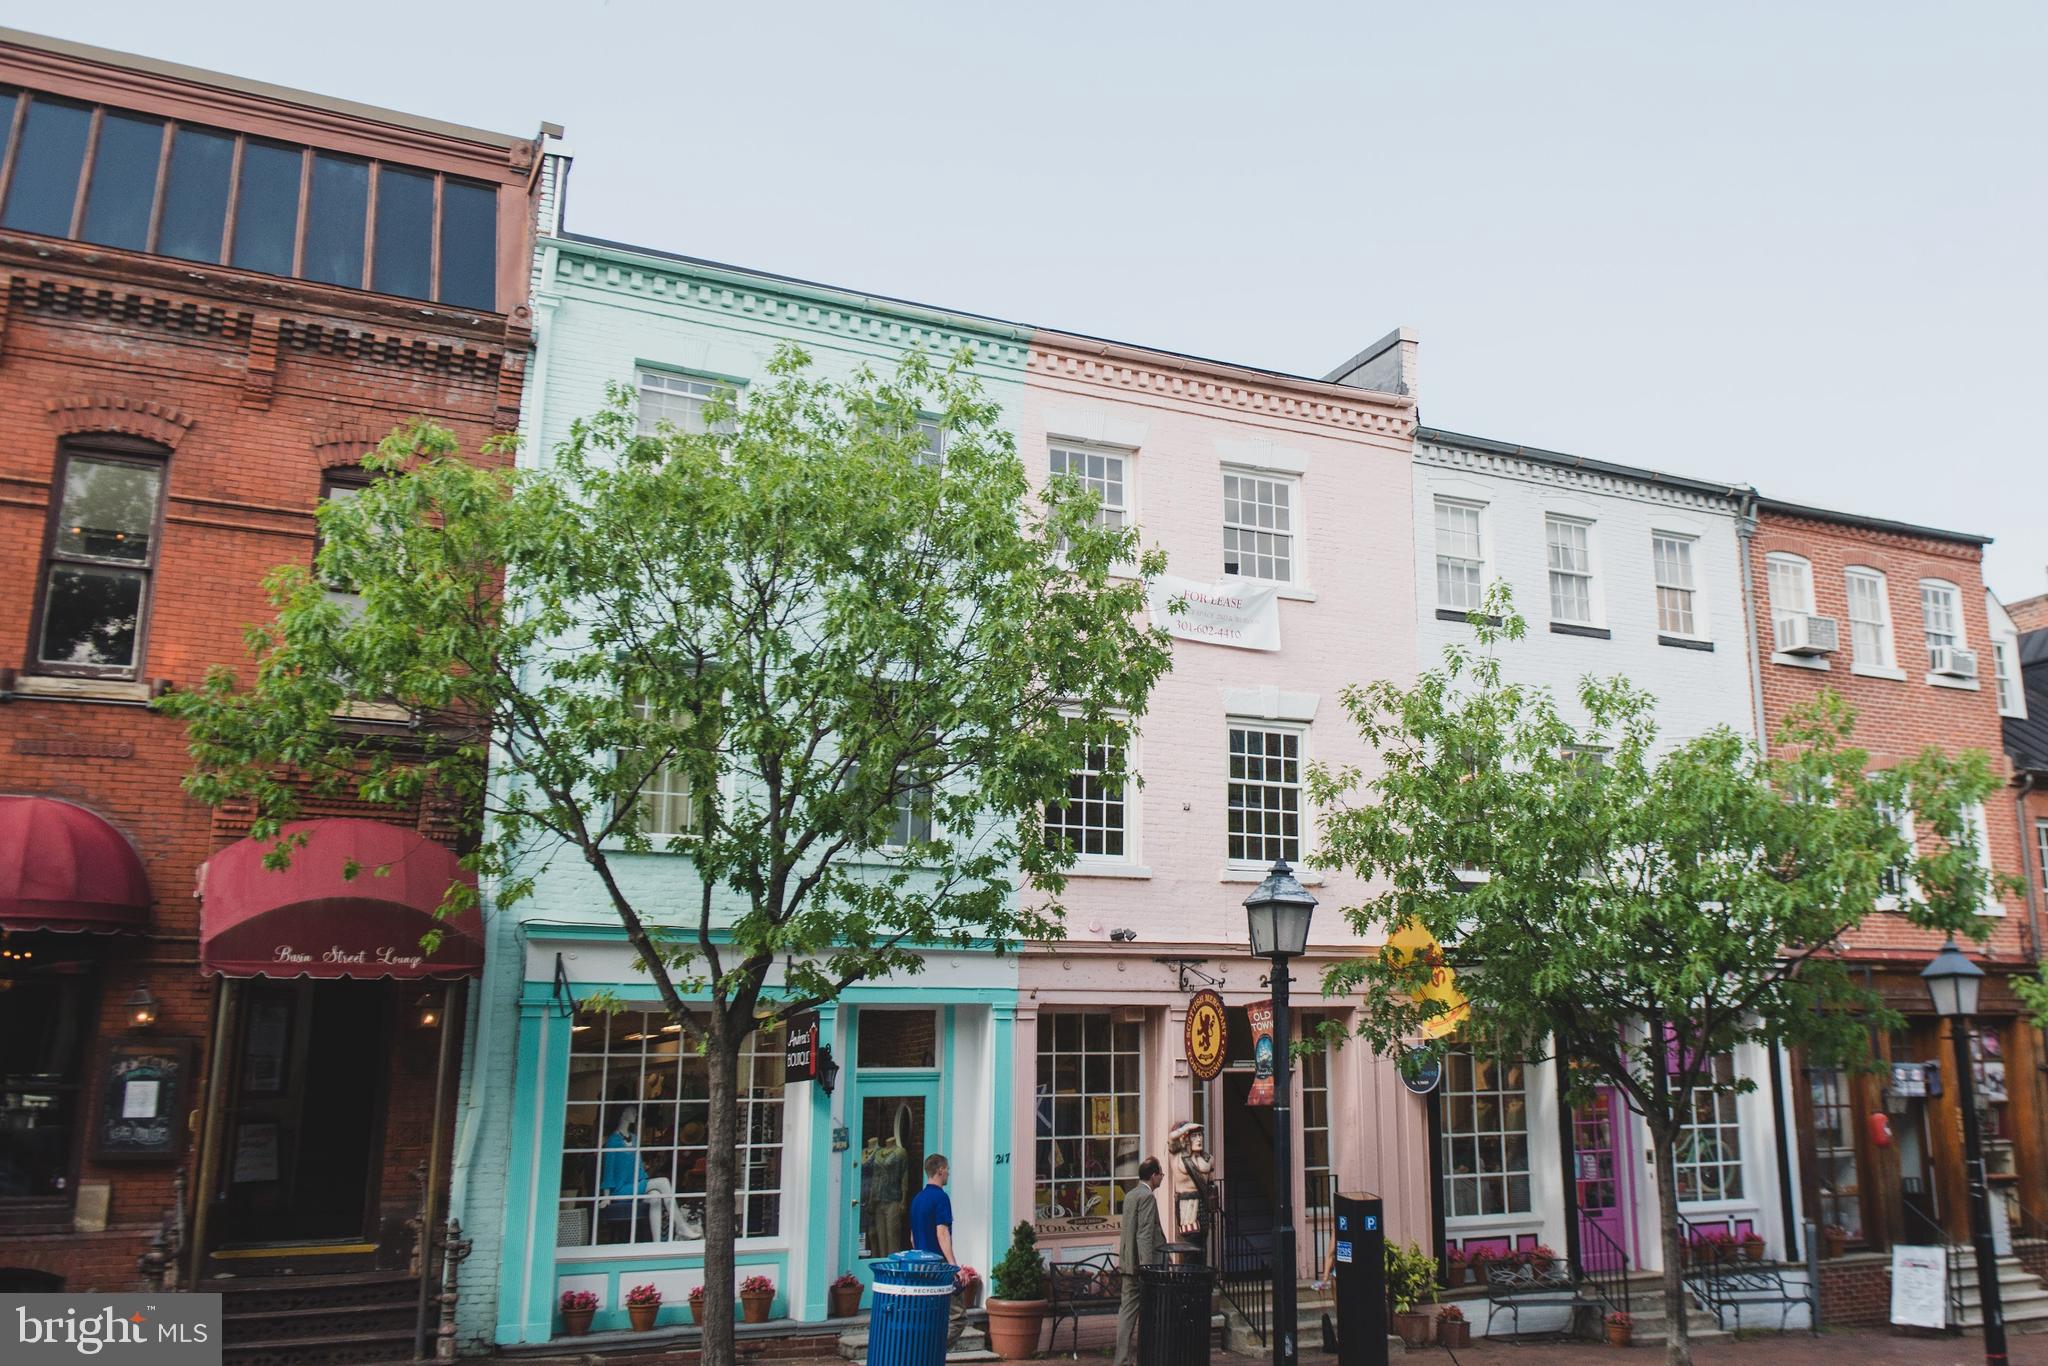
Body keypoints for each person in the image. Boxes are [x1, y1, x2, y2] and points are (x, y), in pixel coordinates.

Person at [1113, 1157, 1165, 1366]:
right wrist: (1147, 1267)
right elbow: (1144, 1234)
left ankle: (1122, 1360)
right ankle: (1145, 1358)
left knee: (1126, 1314)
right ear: (1153, 1176)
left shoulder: (1131, 1195)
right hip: (1140, 1266)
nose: (1162, 1177)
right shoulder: (1147, 1198)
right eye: (1161, 1174)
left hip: (1127, 1263)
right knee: (1148, 1313)